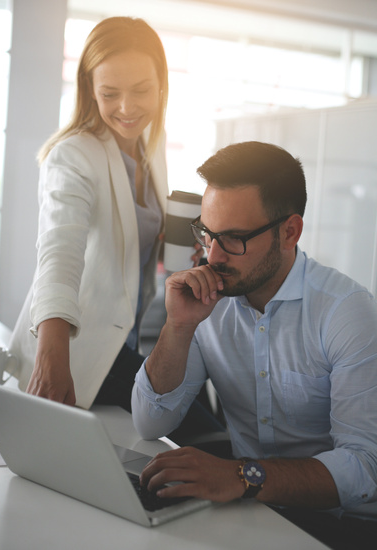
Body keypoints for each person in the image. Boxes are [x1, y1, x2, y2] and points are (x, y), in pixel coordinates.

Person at [132, 141, 377, 549]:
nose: (212, 255)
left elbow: (364, 467)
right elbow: (150, 423)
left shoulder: (345, 312)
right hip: (251, 513)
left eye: (233, 239)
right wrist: (178, 326)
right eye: (207, 233)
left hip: (343, 525)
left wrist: (239, 475)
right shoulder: (207, 301)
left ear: (289, 232)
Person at [8, 16, 204, 412]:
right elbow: (59, 252)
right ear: (89, 90)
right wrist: (52, 351)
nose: (127, 108)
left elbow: (132, 242)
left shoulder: (151, 143)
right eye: (110, 93)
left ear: (161, 85)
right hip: (77, 348)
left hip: (128, 340)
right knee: (195, 428)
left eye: (141, 90)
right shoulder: (73, 155)